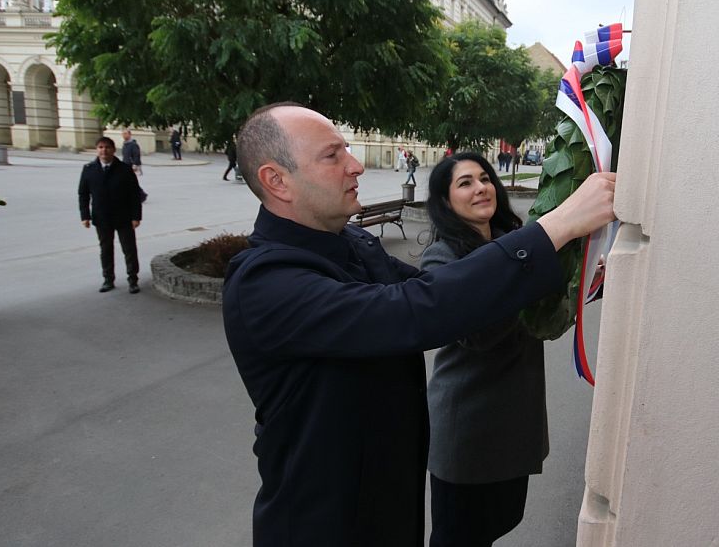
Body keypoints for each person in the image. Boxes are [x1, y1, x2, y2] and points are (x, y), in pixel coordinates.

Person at [222, 102, 616, 546]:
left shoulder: (347, 243)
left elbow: (446, 294)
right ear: (277, 181)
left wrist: (574, 273)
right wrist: (555, 226)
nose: (356, 166)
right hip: (322, 524)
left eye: (347, 151)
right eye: (333, 156)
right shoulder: (264, 283)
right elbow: (413, 309)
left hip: (389, 510)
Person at [422, 151, 555, 547]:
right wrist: (529, 268)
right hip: (468, 434)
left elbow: (542, 313)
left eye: (484, 178)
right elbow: (478, 334)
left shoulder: (512, 244)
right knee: (457, 537)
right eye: (465, 182)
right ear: (446, 202)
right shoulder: (441, 258)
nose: (481, 188)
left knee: (499, 522)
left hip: (514, 427)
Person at [78, 137, 143, 294]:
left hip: (123, 216)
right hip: (102, 217)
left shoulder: (124, 169)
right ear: (97, 149)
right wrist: (85, 216)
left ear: (114, 149)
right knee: (105, 249)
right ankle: (108, 279)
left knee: (129, 249)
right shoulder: (89, 169)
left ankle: (133, 280)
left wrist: (136, 216)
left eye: (107, 147)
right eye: (100, 147)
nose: (104, 150)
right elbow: (83, 194)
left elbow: (135, 194)